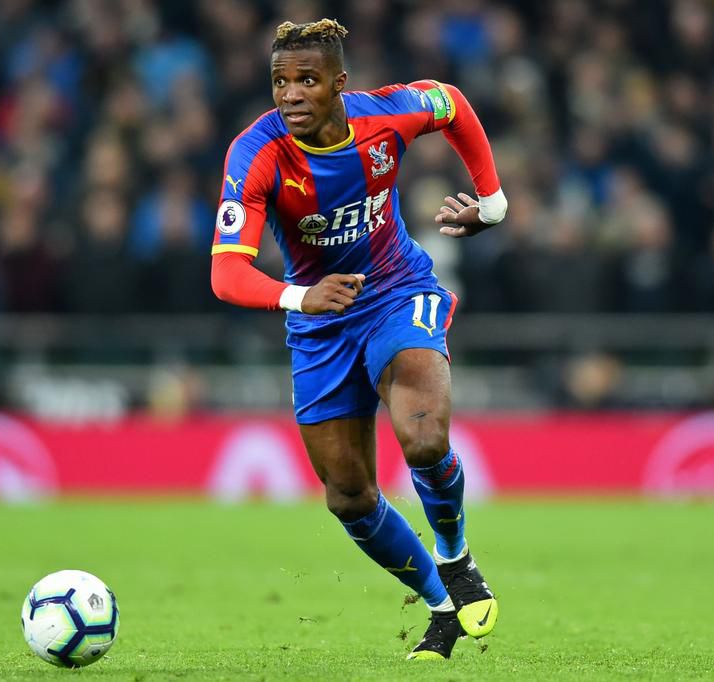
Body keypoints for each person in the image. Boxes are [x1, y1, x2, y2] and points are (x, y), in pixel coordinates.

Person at [210, 19, 506, 660]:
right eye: (280, 82)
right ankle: (441, 606)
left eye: (307, 81)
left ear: (339, 84)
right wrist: (298, 295)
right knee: (348, 496)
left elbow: (450, 101)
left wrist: (493, 201)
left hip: (397, 292)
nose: (290, 95)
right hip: (319, 321)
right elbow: (226, 272)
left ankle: (455, 558)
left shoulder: (387, 116)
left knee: (424, 439)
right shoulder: (255, 154)